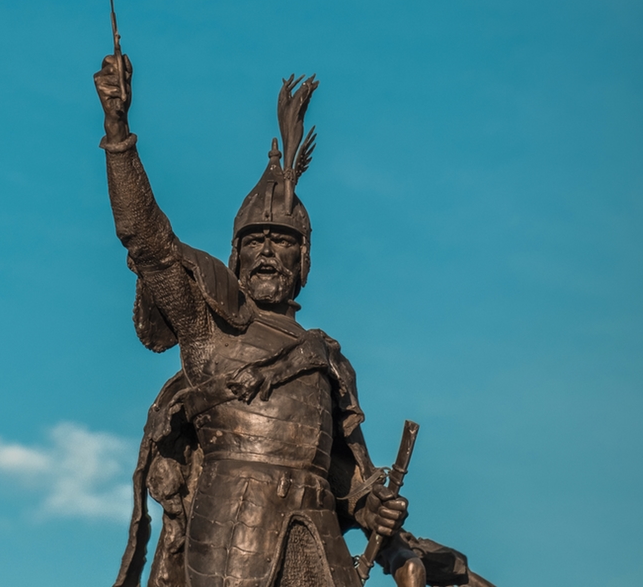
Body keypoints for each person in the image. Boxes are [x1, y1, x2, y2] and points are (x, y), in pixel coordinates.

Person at [95, 53, 492, 587]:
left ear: (302, 260)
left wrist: (369, 506)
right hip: (230, 540)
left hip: (317, 542)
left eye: (281, 241)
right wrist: (118, 133)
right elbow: (148, 242)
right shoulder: (209, 325)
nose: (266, 251)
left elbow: (334, 471)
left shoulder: (326, 358)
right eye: (254, 241)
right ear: (235, 257)